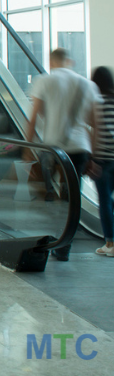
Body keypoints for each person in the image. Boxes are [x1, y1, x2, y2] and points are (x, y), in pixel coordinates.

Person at [26, 48, 96, 261]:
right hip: (80, 147)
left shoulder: (44, 81)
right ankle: (64, 246)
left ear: (52, 61)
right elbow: (93, 123)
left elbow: (35, 115)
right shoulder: (87, 84)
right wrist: (92, 155)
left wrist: (27, 146)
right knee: (72, 197)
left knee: (49, 195)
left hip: (54, 148)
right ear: (69, 61)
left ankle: (52, 238)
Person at [88, 67, 114, 257]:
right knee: (110, 200)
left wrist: (93, 159)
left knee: (105, 201)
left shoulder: (97, 102)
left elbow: (96, 132)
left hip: (104, 159)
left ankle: (110, 244)